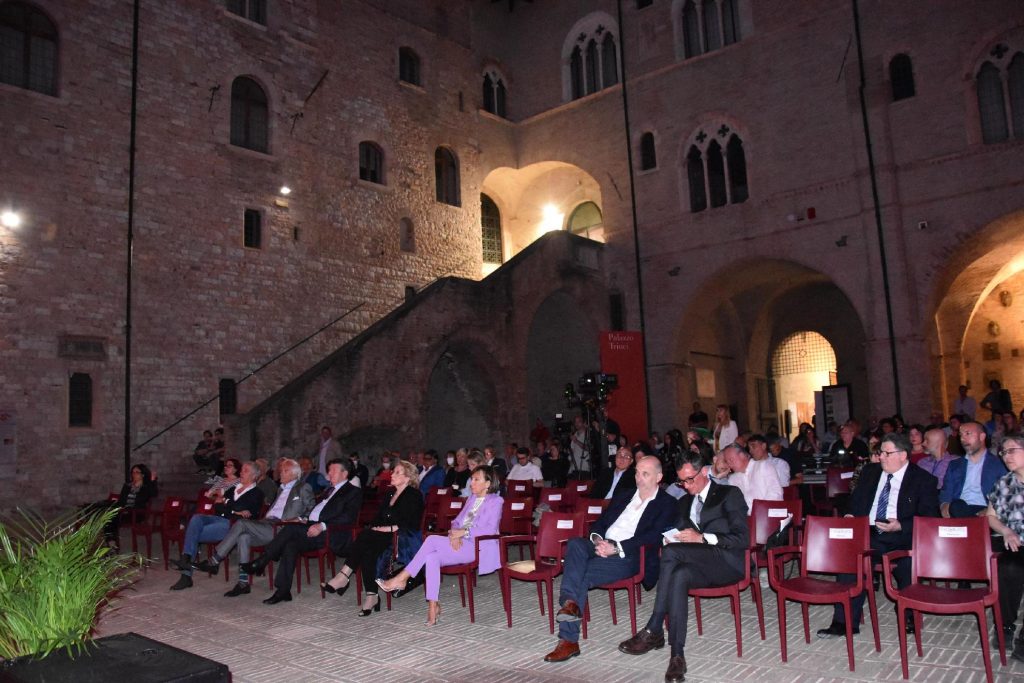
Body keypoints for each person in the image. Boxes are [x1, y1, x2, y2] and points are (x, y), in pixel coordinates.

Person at [617, 452, 749, 683]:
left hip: (728, 562)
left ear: (704, 472)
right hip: (696, 564)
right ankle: (677, 655)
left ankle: (655, 627)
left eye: (690, 479)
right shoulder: (684, 502)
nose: (686, 486)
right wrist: (672, 538)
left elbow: (742, 538)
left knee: (671, 554)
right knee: (678, 574)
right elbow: (675, 532)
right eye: (681, 481)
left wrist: (703, 538)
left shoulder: (729, 494)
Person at [541, 456, 677, 663]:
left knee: (581, 574)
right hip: (602, 545)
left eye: (645, 474)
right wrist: (598, 541)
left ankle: (568, 639)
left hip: (629, 555)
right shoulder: (624, 495)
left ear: (659, 477)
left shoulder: (667, 503)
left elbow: (654, 535)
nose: (639, 478)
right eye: (637, 472)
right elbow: (600, 523)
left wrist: (617, 548)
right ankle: (570, 604)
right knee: (576, 544)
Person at [816, 432, 939, 638]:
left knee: (907, 563)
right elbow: (855, 501)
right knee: (852, 557)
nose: (881, 457)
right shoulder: (870, 472)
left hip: (901, 534)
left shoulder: (922, 479)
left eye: (886, 453)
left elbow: (930, 518)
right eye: (880, 452)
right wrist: (849, 515)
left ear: (902, 455)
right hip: (870, 531)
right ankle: (845, 621)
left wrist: (901, 525)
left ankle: (909, 612)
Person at [378, 466, 503, 625]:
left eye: (476, 479)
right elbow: (456, 521)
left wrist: (463, 533)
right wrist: (454, 533)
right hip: (461, 543)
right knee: (432, 557)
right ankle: (432, 605)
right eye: (471, 479)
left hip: (478, 546)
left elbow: (490, 529)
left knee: (431, 540)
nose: (471, 483)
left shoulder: (496, 501)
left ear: (488, 483)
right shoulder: (472, 498)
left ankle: (402, 578)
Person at [242, 459, 362, 604]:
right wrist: (303, 519)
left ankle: (263, 560)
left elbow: (348, 518)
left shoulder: (353, 491)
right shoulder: (328, 490)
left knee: (290, 529)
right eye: (329, 470)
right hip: (310, 527)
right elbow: (314, 511)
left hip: (331, 533)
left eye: (333, 470)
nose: (329, 473)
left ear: (345, 473)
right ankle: (283, 591)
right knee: (290, 544)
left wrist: (322, 526)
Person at [194, 458, 314, 596]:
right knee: (243, 537)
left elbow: (311, 508)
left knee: (241, 523)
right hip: (267, 524)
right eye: (281, 470)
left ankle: (215, 560)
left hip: (282, 528)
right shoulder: (281, 489)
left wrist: (299, 519)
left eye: (285, 471)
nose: (280, 473)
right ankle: (243, 583)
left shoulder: (303, 487)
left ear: (294, 474)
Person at [321, 460, 425, 615]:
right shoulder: (390, 493)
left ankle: (345, 577)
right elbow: (378, 517)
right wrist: (375, 527)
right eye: (393, 471)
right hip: (380, 535)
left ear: (408, 477)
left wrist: (386, 528)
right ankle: (371, 596)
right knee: (367, 547)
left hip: (401, 536)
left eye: (397, 472)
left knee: (365, 538)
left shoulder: (414, 494)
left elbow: (410, 522)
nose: (392, 474)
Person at [170, 461, 265, 590]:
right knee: (196, 518)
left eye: (246, 470)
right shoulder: (233, 489)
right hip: (219, 518)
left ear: (254, 475)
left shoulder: (257, 493)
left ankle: (186, 574)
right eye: (242, 469)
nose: (241, 472)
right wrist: (233, 509)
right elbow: (218, 507)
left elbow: (239, 510)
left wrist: (228, 505)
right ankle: (186, 559)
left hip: (233, 526)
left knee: (192, 532)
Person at [985, 435, 1024, 661]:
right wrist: (1007, 531)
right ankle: (1005, 626)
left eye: (1011, 451)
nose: (1006, 456)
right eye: (1003, 452)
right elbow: (991, 517)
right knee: (1008, 568)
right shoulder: (1003, 483)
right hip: (1015, 541)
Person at [940, 421, 1007, 518]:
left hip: (985, 510)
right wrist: (944, 505)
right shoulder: (955, 465)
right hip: (958, 509)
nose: (962, 438)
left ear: (982, 436)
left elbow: (1004, 494)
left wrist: (990, 510)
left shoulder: (998, 464)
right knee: (957, 506)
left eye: (968, 434)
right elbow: (946, 491)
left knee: (957, 508)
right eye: (961, 435)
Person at [103, 463, 159, 544]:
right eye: (133, 472)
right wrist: (120, 508)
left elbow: (154, 493)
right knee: (109, 516)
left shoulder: (145, 487)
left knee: (113, 518)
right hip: (124, 511)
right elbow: (121, 500)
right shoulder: (127, 486)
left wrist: (153, 481)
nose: (134, 474)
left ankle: (111, 542)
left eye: (137, 472)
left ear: (142, 475)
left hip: (137, 513)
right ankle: (110, 541)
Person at [723, 443, 782, 512]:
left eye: (731, 459)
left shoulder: (763, 466)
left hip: (768, 515)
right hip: (744, 519)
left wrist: (759, 511)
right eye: (727, 461)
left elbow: (775, 494)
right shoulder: (732, 479)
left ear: (742, 455)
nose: (729, 464)